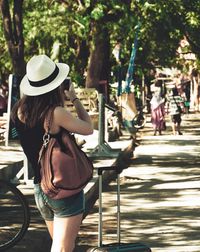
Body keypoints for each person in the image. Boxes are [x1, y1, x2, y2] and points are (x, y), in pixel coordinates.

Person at [11, 54, 93, 252]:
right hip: (63, 188)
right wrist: (73, 98)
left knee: (58, 244)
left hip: (41, 188)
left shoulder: (18, 111)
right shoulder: (55, 113)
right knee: (63, 248)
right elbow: (88, 127)